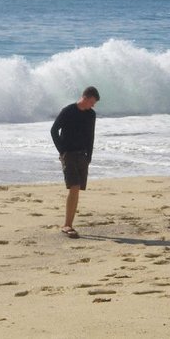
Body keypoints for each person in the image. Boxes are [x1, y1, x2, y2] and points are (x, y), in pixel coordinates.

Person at [50, 86, 100, 238]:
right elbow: (54, 130)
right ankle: (67, 225)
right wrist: (62, 151)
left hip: (82, 155)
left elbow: (91, 136)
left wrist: (89, 157)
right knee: (74, 186)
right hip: (69, 154)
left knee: (77, 189)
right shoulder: (68, 111)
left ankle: (69, 223)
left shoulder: (91, 115)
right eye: (92, 102)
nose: (93, 105)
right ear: (85, 97)